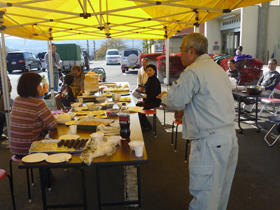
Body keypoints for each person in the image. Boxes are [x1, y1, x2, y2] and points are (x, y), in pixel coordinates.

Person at [157, 33, 238, 210]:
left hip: (210, 142)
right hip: (229, 138)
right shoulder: (218, 70)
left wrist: (164, 97)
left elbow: (175, 100)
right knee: (219, 195)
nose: (179, 55)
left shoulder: (194, 71)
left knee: (205, 199)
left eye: (181, 50)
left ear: (191, 51)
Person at [9, 72, 57, 156]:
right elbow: (53, 124)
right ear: (33, 87)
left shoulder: (17, 100)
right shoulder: (38, 103)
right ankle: (45, 168)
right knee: (56, 141)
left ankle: (45, 169)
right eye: (39, 84)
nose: (41, 87)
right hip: (30, 147)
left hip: (14, 147)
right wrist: (45, 126)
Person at [136, 64, 161, 131]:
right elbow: (146, 93)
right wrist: (144, 99)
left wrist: (145, 101)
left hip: (155, 101)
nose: (148, 72)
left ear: (154, 71)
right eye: (147, 70)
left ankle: (147, 125)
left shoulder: (155, 81)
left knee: (140, 108)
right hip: (149, 100)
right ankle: (143, 124)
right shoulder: (149, 79)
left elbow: (153, 94)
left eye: (150, 70)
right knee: (137, 106)